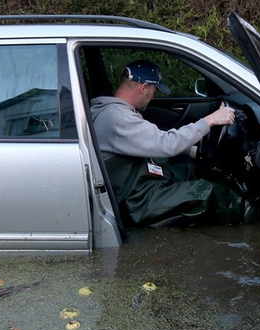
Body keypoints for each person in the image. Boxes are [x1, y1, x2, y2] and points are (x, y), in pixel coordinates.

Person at [90, 59, 245, 226]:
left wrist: (188, 150)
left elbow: (150, 138)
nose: (153, 96)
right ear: (143, 88)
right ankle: (247, 215)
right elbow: (167, 143)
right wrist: (211, 120)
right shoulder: (116, 117)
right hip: (137, 200)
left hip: (141, 183)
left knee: (192, 171)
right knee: (207, 191)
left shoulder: (118, 112)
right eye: (154, 90)